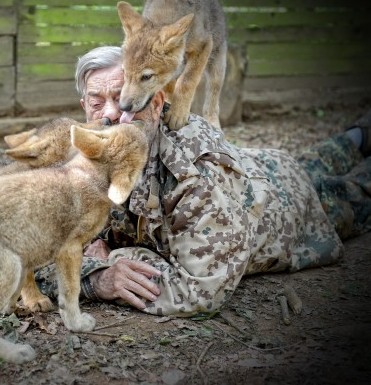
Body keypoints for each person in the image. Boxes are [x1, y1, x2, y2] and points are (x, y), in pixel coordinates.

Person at [35, 45, 371, 316]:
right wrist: (95, 276)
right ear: (84, 107)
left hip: (288, 206)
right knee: (326, 154)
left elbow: (197, 292)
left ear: (156, 102)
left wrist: (113, 260)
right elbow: (32, 247)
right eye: (97, 102)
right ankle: (359, 134)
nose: (111, 114)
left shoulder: (194, 172)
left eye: (126, 100)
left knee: (355, 193)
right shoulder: (84, 149)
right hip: (259, 162)